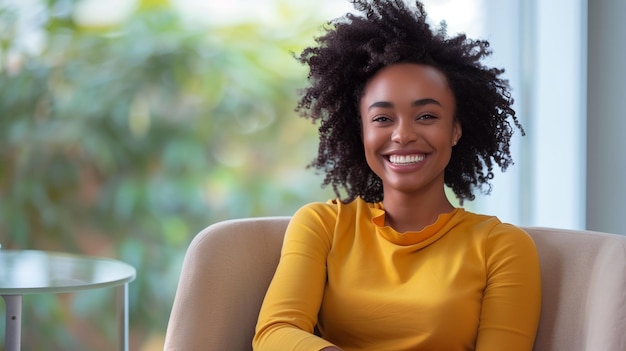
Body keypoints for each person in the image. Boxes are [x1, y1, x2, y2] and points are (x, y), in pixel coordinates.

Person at [253, 0, 541, 350]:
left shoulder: (501, 247)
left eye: (426, 117)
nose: (402, 135)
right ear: (360, 133)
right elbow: (275, 333)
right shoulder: (322, 225)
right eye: (382, 119)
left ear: (455, 130)